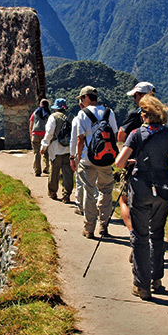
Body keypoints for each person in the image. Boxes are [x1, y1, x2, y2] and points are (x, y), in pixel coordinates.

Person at [115, 96, 168, 301]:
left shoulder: (135, 134)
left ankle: (142, 286)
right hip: (162, 191)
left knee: (140, 237)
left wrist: (134, 161)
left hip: (140, 190)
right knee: (157, 234)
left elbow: (119, 163)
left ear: (144, 116)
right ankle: (156, 280)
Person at [69, 86, 119, 239]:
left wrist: (73, 157)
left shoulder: (82, 114)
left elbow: (79, 139)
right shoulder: (109, 112)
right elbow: (114, 135)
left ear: (85, 98)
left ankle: (89, 228)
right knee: (106, 191)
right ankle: (104, 226)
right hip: (106, 158)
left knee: (89, 191)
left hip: (88, 159)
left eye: (81, 99)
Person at [117, 81, 156, 230]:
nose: (134, 99)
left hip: (134, 164)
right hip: (155, 165)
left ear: (142, 96)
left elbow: (121, 136)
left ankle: (135, 234)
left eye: (136, 96)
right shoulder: (160, 115)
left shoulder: (136, 115)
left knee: (125, 201)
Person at [41, 98, 74, 202]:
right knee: (68, 173)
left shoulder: (53, 117)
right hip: (69, 149)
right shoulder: (72, 117)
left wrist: (44, 146)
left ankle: (52, 192)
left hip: (56, 150)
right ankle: (66, 195)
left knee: (54, 172)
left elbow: (49, 133)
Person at [29, 99, 51, 176]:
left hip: (35, 134)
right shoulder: (48, 114)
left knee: (36, 153)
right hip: (45, 135)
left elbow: (31, 124)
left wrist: (31, 134)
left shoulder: (35, 113)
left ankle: (37, 171)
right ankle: (46, 168)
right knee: (46, 152)